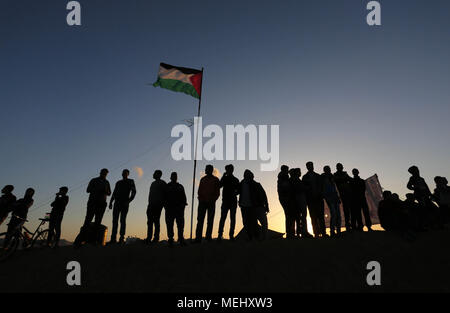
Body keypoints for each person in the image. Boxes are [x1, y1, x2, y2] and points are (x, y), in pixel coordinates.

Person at [74, 169, 111, 247]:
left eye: (106, 174)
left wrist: (105, 191)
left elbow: (109, 193)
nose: (104, 174)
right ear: (100, 173)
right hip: (92, 203)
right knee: (88, 221)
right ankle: (80, 240)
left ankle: (94, 241)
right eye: (103, 173)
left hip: (101, 204)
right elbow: (88, 190)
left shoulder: (107, 182)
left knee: (98, 222)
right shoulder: (94, 180)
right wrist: (97, 189)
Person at [238, 170, 269, 240]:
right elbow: (237, 191)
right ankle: (251, 237)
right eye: (246, 175)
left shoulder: (256, 184)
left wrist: (266, 206)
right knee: (247, 223)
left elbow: (264, 196)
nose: (249, 177)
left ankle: (259, 237)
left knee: (255, 223)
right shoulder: (241, 184)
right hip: (245, 207)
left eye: (250, 176)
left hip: (253, 207)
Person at [108, 169, 136, 244]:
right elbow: (114, 193)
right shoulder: (118, 183)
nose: (124, 174)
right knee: (115, 221)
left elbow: (134, 192)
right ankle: (113, 239)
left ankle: (121, 238)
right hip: (117, 203)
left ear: (128, 174)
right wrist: (111, 202)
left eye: (125, 173)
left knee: (122, 220)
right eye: (123, 173)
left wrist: (129, 201)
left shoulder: (131, 181)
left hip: (124, 203)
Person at [195, 165, 220, 243]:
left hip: (211, 203)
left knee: (210, 220)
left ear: (210, 170)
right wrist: (200, 199)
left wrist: (213, 200)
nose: (205, 170)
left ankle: (208, 237)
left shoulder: (216, 179)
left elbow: (217, 192)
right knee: (200, 220)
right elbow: (199, 191)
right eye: (206, 169)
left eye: (207, 169)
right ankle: (198, 238)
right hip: (202, 203)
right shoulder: (202, 179)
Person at [303, 162, 327, 238]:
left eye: (311, 165)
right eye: (309, 166)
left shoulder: (318, 176)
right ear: (307, 167)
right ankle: (316, 233)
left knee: (321, 217)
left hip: (319, 199)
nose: (311, 167)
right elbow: (304, 189)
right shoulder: (305, 177)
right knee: (313, 217)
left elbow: (322, 186)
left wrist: (322, 194)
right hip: (311, 200)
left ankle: (323, 233)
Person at [218, 164, 240, 241]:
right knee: (223, 218)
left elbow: (239, 190)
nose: (228, 171)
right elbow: (219, 185)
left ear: (232, 170)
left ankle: (231, 235)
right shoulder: (225, 178)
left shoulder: (236, 180)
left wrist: (235, 193)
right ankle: (220, 235)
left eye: (229, 169)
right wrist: (223, 176)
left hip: (233, 201)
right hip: (225, 202)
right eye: (227, 170)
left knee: (232, 219)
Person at [165, 172, 187, 246]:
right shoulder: (167, 186)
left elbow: (184, 198)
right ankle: (171, 239)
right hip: (169, 209)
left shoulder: (180, 186)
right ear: (170, 177)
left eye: (175, 176)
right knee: (169, 225)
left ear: (177, 177)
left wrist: (183, 206)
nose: (174, 177)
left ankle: (181, 239)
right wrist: (166, 207)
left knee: (180, 225)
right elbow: (164, 198)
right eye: (173, 176)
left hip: (179, 209)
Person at [288, 168, 311, 238]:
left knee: (299, 217)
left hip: (299, 200)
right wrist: (305, 188)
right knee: (300, 217)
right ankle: (302, 232)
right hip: (298, 200)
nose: (300, 173)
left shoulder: (297, 180)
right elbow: (298, 189)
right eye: (299, 172)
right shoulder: (294, 181)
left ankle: (300, 232)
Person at [147, 170, 167, 244]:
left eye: (154, 173)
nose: (153, 174)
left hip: (157, 205)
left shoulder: (162, 183)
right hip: (151, 205)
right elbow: (150, 195)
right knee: (149, 222)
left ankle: (156, 238)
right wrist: (149, 204)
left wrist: (163, 205)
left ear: (158, 175)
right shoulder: (153, 183)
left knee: (156, 221)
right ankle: (149, 238)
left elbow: (166, 194)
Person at [322, 166, 342, 236]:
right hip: (329, 198)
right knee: (333, 214)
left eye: (329, 169)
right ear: (324, 170)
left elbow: (335, 187)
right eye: (327, 169)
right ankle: (332, 231)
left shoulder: (332, 177)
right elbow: (323, 188)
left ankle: (338, 230)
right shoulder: (323, 177)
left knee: (338, 215)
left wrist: (338, 197)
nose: (329, 170)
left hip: (335, 197)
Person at [333, 163, 353, 231]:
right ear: (337, 168)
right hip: (341, 195)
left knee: (350, 209)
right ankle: (347, 225)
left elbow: (351, 180)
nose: (340, 168)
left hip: (348, 194)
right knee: (345, 210)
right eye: (339, 167)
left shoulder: (345, 174)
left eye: (341, 166)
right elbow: (335, 181)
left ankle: (351, 225)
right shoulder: (335, 175)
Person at [277, 165, 292, 238]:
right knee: (288, 215)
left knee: (288, 215)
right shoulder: (283, 177)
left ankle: (289, 232)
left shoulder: (282, 177)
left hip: (284, 198)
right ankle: (289, 233)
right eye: (287, 170)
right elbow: (285, 188)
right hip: (285, 198)